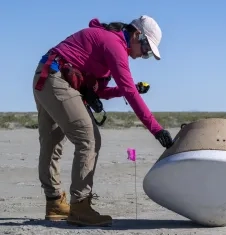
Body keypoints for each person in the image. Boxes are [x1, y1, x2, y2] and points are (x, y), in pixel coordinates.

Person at [32, 15, 174, 227]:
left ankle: (54, 203)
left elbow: (105, 91)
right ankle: (80, 206)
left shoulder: (110, 43)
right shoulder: (114, 44)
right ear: (137, 35)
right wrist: (156, 130)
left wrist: (129, 89)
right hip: (56, 79)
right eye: (145, 50)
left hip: (44, 77)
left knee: (52, 143)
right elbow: (129, 92)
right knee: (89, 140)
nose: (142, 56)